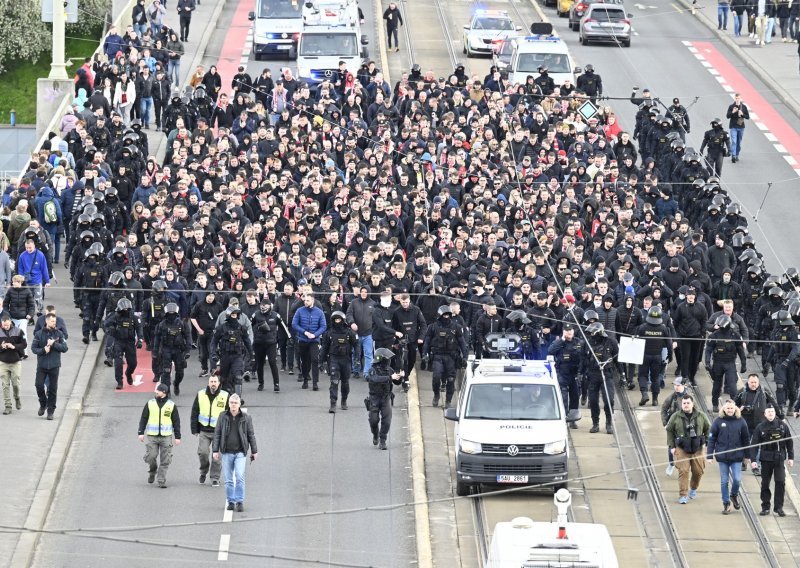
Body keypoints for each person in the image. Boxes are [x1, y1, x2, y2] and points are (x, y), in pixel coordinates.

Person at [212, 393, 258, 512]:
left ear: (239, 405)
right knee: (228, 480)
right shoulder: (222, 416)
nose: (233, 405)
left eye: (235, 403)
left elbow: (250, 435)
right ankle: (231, 501)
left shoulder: (246, 417)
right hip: (226, 452)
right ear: (229, 404)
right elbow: (217, 433)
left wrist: (254, 451)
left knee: (239, 476)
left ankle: (239, 501)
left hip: (240, 452)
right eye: (231, 403)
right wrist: (215, 450)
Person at [665, 394, 712, 504]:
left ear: (692, 404)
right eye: (684, 403)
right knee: (683, 471)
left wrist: (708, 443)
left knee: (698, 471)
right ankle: (683, 494)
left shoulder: (701, 416)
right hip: (682, 448)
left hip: (698, 448)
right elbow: (669, 430)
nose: (686, 405)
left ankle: (694, 488)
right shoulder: (675, 416)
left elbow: (709, 428)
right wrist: (671, 446)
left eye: (688, 403)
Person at [707, 400, 750, 514]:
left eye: (732, 408)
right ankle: (726, 503)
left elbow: (746, 439)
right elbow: (711, 439)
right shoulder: (718, 421)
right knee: (724, 481)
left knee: (737, 479)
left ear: (735, 409)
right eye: (728, 408)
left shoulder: (741, 421)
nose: (730, 410)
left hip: (737, 457)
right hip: (723, 457)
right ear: (724, 409)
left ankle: (734, 495)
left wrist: (747, 456)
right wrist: (709, 455)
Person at [750, 404, 794, 516]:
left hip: (779, 458)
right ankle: (765, 506)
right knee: (765, 483)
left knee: (780, 482)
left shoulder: (783, 426)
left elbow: (789, 443)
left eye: (772, 411)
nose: (771, 413)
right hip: (765, 459)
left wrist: (791, 457)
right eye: (768, 411)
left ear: (775, 413)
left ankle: (778, 507)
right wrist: (753, 460)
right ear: (765, 414)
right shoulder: (760, 427)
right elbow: (754, 444)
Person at [422, 305, 468, 409]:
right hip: (437, 356)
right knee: (436, 377)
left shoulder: (456, 327)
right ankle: (436, 395)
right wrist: (424, 354)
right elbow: (427, 342)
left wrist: (465, 357)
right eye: (444, 315)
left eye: (448, 315)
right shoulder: (432, 327)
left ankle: (448, 400)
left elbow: (462, 342)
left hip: (451, 356)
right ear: (440, 315)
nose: (446, 317)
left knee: (451, 379)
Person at [137, 383, 182, 488]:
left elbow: (176, 421)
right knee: (151, 456)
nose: (156, 392)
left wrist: (178, 436)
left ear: (164, 393)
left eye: (158, 391)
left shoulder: (171, 405)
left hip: (166, 436)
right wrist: (140, 432)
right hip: (152, 436)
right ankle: (152, 471)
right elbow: (144, 418)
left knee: (165, 459)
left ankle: (161, 479)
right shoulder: (150, 403)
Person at [580, 322, 619, 434]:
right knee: (592, 401)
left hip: (607, 374)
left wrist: (623, 376)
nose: (591, 335)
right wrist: (580, 373)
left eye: (593, 332)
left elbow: (618, 359)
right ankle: (595, 423)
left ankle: (609, 423)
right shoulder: (587, 343)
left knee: (609, 400)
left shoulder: (611, 342)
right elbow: (583, 359)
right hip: (592, 375)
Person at [191, 374, 229, 487]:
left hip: (219, 432)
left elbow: (229, 416)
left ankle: (215, 477)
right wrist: (194, 429)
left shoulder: (225, 395)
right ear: (208, 383)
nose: (213, 383)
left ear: (218, 383)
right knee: (203, 453)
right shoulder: (201, 394)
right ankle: (203, 472)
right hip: (204, 430)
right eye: (211, 381)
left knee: (216, 457)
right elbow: (194, 412)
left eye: (215, 381)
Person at [704, 314, 747, 412]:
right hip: (718, 363)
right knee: (716, 386)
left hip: (730, 363)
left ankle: (735, 405)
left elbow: (740, 350)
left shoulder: (735, 335)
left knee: (732, 387)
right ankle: (715, 404)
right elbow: (708, 350)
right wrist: (707, 362)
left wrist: (743, 363)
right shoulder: (714, 336)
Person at [365, 348, 403, 450]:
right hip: (374, 398)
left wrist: (400, 377)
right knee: (373, 420)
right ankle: (375, 434)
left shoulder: (389, 370)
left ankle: (383, 440)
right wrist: (390, 377)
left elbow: (396, 383)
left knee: (387, 420)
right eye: (387, 358)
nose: (389, 360)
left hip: (386, 397)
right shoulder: (372, 370)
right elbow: (375, 379)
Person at [635, 306, 673, 407]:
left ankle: (644, 394)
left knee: (642, 376)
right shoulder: (663, 328)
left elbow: (635, 340)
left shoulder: (642, 327)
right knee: (655, 378)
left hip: (644, 356)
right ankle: (655, 399)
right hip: (657, 357)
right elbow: (669, 343)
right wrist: (670, 355)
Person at [320, 310, 357, 413]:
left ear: (343, 320)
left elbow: (356, 345)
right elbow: (324, 347)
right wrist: (321, 361)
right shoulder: (329, 333)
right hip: (334, 359)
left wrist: (357, 358)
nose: (337, 321)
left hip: (346, 359)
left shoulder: (349, 332)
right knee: (334, 382)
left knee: (345, 382)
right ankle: (333, 404)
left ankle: (344, 400)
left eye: (339, 319)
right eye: (335, 319)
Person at [211, 307, 253, 396]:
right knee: (224, 379)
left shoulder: (242, 328)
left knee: (238, 377)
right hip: (224, 356)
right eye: (232, 315)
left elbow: (247, 342)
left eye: (235, 315)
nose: (234, 317)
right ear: (228, 316)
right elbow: (214, 342)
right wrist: (213, 353)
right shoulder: (221, 328)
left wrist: (252, 355)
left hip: (237, 356)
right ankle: (226, 397)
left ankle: (237, 398)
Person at [103, 298, 143, 390]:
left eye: (127, 309)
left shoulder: (134, 317)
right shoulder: (114, 316)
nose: (125, 311)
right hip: (118, 341)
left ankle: (128, 373)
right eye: (123, 309)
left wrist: (140, 340)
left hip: (130, 342)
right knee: (118, 363)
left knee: (133, 363)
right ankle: (119, 381)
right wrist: (110, 330)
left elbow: (139, 329)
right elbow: (105, 324)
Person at [548, 322, 583, 427]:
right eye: (567, 331)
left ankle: (573, 419)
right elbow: (551, 351)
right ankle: (564, 417)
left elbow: (584, 356)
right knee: (563, 397)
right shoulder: (559, 342)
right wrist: (562, 339)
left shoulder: (578, 342)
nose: (569, 333)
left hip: (575, 374)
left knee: (575, 397)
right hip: (563, 373)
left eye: (570, 330)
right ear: (563, 332)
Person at [292, 293, 326, 391]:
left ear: (313, 301)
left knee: (315, 360)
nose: (305, 302)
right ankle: (305, 379)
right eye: (304, 300)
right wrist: (305, 332)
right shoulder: (299, 311)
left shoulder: (319, 312)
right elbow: (294, 324)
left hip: (314, 340)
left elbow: (323, 326)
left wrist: (315, 335)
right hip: (303, 339)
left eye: (307, 300)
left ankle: (315, 383)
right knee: (304, 361)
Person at [661, 377, 694, 476]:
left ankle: (684, 467)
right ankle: (671, 464)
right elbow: (663, 408)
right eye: (675, 385)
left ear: (683, 385)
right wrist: (665, 422)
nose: (676, 387)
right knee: (671, 446)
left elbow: (696, 412)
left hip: (686, 427)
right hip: (673, 426)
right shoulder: (672, 397)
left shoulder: (690, 397)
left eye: (678, 385)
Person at [250, 299, 282, 392]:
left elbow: (283, 327)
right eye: (261, 305)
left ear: (270, 306)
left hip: (271, 343)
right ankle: (261, 383)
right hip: (258, 343)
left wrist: (289, 337)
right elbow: (248, 325)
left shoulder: (276, 315)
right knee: (260, 364)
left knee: (272, 362)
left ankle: (276, 384)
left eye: (265, 305)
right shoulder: (256, 314)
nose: (263, 307)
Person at [16, 238, 50, 317]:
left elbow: (44, 268)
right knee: (27, 299)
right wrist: (20, 281)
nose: (28, 249)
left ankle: (39, 312)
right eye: (27, 248)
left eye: (30, 247)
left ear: (34, 246)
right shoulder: (22, 256)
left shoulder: (40, 255)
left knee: (38, 298)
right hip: (26, 281)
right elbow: (20, 269)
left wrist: (47, 281)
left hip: (37, 281)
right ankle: (29, 313)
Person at [0, 315, 26, 415]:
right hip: (3, 362)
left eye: (7, 325)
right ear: (2, 324)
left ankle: (17, 397)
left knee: (15, 384)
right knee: (5, 385)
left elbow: (24, 344)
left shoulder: (18, 331)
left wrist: (13, 346)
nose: (6, 327)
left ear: (10, 322)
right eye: (4, 325)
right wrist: (1, 346)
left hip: (15, 361)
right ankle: (8, 406)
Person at [726, 93, 750, 163]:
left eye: (738, 98)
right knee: (734, 141)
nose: (737, 99)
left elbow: (748, 117)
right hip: (733, 126)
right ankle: (733, 156)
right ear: (734, 98)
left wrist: (742, 114)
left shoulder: (744, 107)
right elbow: (727, 116)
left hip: (741, 127)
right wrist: (733, 112)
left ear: (740, 98)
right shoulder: (731, 106)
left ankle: (737, 155)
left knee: (738, 143)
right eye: (736, 98)